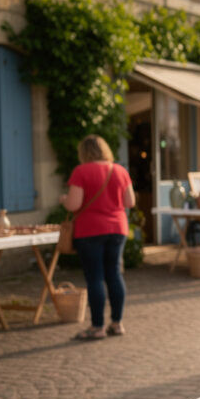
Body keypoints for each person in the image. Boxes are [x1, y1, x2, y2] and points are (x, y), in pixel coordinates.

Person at [61, 135, 136, 340]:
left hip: (90, 230)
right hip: (117, 228)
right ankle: (117, 323)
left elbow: (74, 205)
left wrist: (64, 200)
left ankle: (97, 327)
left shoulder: (81, 171)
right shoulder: (120, 170)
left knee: (95, 277)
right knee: (114, 275)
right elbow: (130, 202)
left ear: (84, 152)